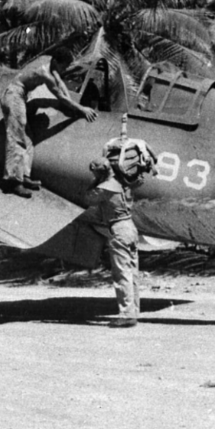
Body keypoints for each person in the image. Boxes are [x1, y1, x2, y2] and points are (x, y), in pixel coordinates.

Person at [0, 48, 97, 195]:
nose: (65, 69)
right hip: (14, 96)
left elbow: (60, 83)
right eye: (64, 65)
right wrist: (82, 109)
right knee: (17, 138)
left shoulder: (50, 64)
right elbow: (60, 96)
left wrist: (72, 103)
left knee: (28, 139)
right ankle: (14, 182)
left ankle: (25, 176)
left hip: (20, 96)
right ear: (56, 61)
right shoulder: (44, 73)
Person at [86, 135, 154, 328]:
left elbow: (87, 197)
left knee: (121, 273)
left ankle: (126, 314)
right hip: (130, 227)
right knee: (132, 272)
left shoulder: (105, 188)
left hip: (118, 229)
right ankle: (133, 311)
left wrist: (95, 181)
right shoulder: (124, 183)